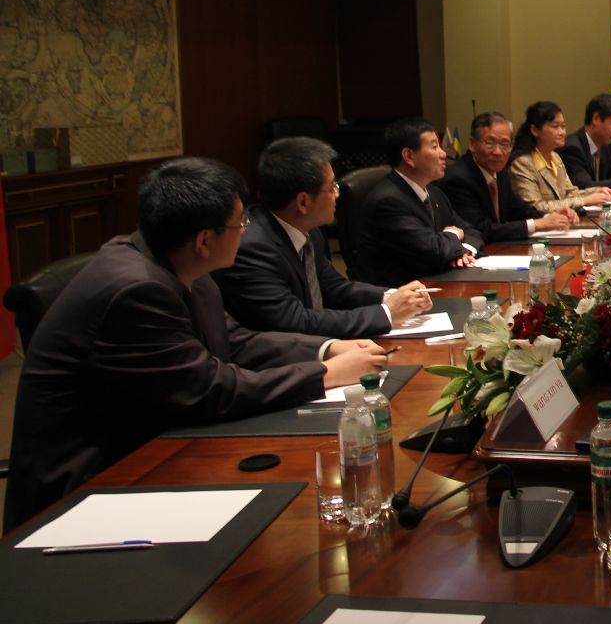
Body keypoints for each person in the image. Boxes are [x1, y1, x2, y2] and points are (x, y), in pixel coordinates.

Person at [6, 158, 390, 530]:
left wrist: (328, 348)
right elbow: (209, 389)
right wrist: (324, 374)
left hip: (160, 440)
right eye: (240, 222)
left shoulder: (178, 260)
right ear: (205, 240)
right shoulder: (136, 291)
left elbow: (235, 341)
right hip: (94, 486)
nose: (247, 229)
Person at [215, 137, 433, 339]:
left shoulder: (309, 229)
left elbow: (335, 288)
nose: (337, 194)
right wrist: (387, 313)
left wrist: (393, 296)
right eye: (332, 187)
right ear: (303, 202)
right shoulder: (252, 249)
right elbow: (295, 322)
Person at [357, 118, 482, 287]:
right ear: (409, 156)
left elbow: (472, 231)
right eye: (434, 147)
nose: (443, 154)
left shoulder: (435, 193)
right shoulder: (388, 201)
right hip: (402, 293)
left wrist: (464, 250)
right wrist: (454, 235)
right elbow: (433, 251)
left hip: (437, 283)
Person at [436, 111, 576, 242]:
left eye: (504, 144)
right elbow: (480, 229)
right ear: (472, 144)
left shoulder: (501, 173)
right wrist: (537, 224)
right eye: (490, 143)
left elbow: (517, 209)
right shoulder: (459, 179)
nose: (498, 152)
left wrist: (551, 217)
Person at [508, 101, 611, 212]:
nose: (562, 132)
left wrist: (597, 191)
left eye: (563, 126)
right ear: (535, 130)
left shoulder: (555, 157)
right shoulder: (522, 163)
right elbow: (536, 207)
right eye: (555, 126)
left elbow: (569, 193)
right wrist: (585, 200)